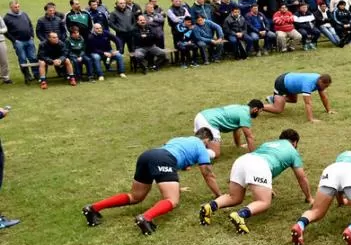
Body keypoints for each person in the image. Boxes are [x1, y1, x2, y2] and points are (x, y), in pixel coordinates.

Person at [83, 128, 220, 235]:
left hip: (147, 156)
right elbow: (207, 174)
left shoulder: (179, 139)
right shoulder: (201, 147)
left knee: (135, 196)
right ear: (206, 140)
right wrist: (219, 196)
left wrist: (176, 184)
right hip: (163, 159)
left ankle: (93, 208)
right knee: (172, 200)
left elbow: (175, 160)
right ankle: (146, 218)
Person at [199, 129, 312, 234]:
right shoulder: (292, 151)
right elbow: (301, 177)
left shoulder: (267, 144)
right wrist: (309, 197)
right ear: (295, 143)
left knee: (234, 197)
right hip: (259, 166)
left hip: (242, 161)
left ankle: (210, 206)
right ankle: (240, 215)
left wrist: (268, 188)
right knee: (264, 202)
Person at [194, 100, 264, 159]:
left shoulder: (240, 107)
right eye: (260, 111)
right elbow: (249, 137)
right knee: (215, 153)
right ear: (255, 110)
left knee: (202, 144)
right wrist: (254, 156)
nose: (259, 114)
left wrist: (238, 145)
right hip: (209, 122)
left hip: (201, 115)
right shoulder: (245, 115)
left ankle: (191, 149)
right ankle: (191, 153)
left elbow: (236, 130)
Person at [263, 72, 333, 122]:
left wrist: (329, 110)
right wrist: (311, 119)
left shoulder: (319, 81)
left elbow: (324, 97)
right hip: (282, 83)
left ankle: (273, 98)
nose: (325, 88)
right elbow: (308, 103)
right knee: (278, 109)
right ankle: (257, 106)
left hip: (291, 82)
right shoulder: (308, 83)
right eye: (325, 86)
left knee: (294, 100)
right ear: (320, 81)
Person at [4, 1, 38, 81]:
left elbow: (30, 25)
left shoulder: (24, 14)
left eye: (18, 6)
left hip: (29, 40)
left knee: (33, 57)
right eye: (15, 7)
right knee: (22, 59)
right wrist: (14, 40)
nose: (17, 8)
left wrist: (32, 36)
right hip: (19, 42)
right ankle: (27, 75)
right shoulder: (7, 18)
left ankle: (36, 74)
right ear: (11, 8)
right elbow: (6, 31)